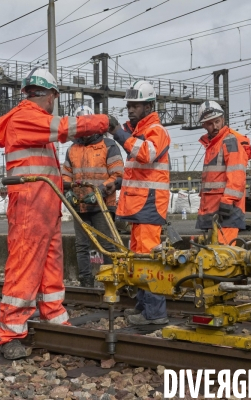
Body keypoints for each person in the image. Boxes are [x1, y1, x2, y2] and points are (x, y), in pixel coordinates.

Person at [0, 68, 114, 359]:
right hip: (29, 208)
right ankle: (10, 332)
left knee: (51, 267)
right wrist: (103, 121)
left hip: (46, 207)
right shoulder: (25, 117)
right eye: (53, 98)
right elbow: (65, 127)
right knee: (23, 267)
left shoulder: (35, 123)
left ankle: (54, 315)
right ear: (50, 96)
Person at [108, 81, 170, 326]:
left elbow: (147, 154)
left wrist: (119, 132)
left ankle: (154, 314)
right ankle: (144, 309)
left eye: (137, 105)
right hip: (140, 206)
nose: (131, 110)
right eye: (129, 105)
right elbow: (139, 172)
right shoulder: (138, 132)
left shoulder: (157, 130)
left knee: (150, 261)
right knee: (140, 260)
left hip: (150, 205)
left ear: (149, 106)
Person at [62, 105, 124, 288]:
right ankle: (86, 283)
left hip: (102, 206)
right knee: (82, 246)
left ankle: (111, 284)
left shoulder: (109, 145)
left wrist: (100, 192)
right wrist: (68, 191)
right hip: (79, 204)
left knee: (107, 245)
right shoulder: (72, 148)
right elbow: (66, 174)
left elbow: (118, 175)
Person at [195, 101, 251, 245]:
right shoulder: (213, 145)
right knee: (214, 259)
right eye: (209, 123)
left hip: (226, 212)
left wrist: (227, 202)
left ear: (223, 120)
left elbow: (237, 176)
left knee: (222, 258)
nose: (214, 127)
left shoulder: (229, 142)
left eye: (217, 121)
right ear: (203, 125)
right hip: (215, 212)